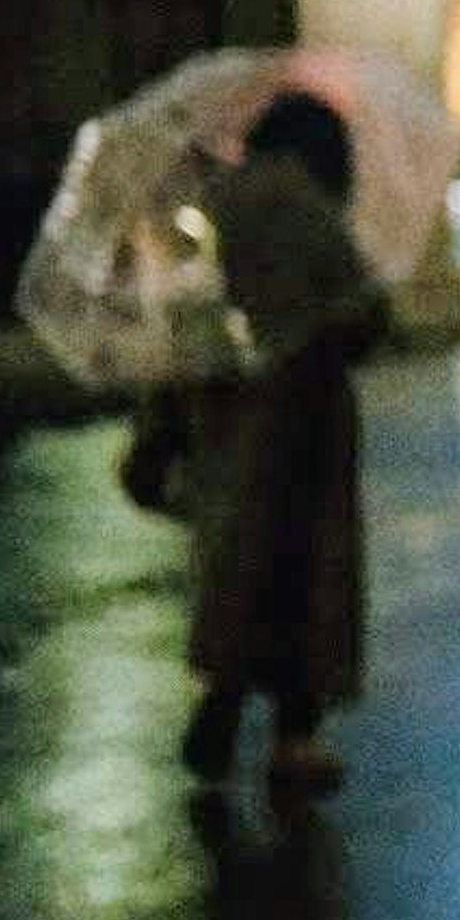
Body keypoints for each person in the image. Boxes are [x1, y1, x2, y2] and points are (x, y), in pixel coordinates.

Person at [174, 90, 389, 792]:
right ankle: (295, 740)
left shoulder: (218, 204)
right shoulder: (307, 204)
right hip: (308, 417)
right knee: (307, 573)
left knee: (238, 564)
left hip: (228, 410)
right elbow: (361, 307)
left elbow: (186, 311)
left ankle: (223, 702)